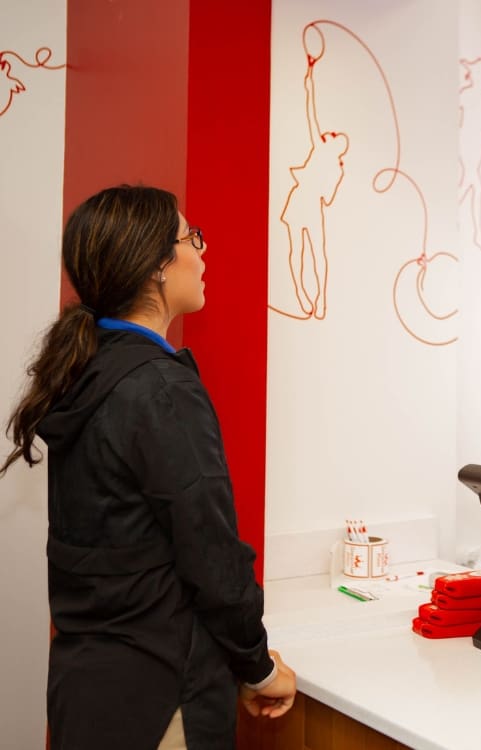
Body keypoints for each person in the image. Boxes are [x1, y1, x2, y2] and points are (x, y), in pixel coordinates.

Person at [0, 185, 296, 749]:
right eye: (192, 239)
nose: (203, 254)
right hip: (160, 699)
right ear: (158, 266)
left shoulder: (89, 371)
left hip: (86, 693)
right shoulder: (159, 388)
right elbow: (211, 556)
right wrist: (259, 668)